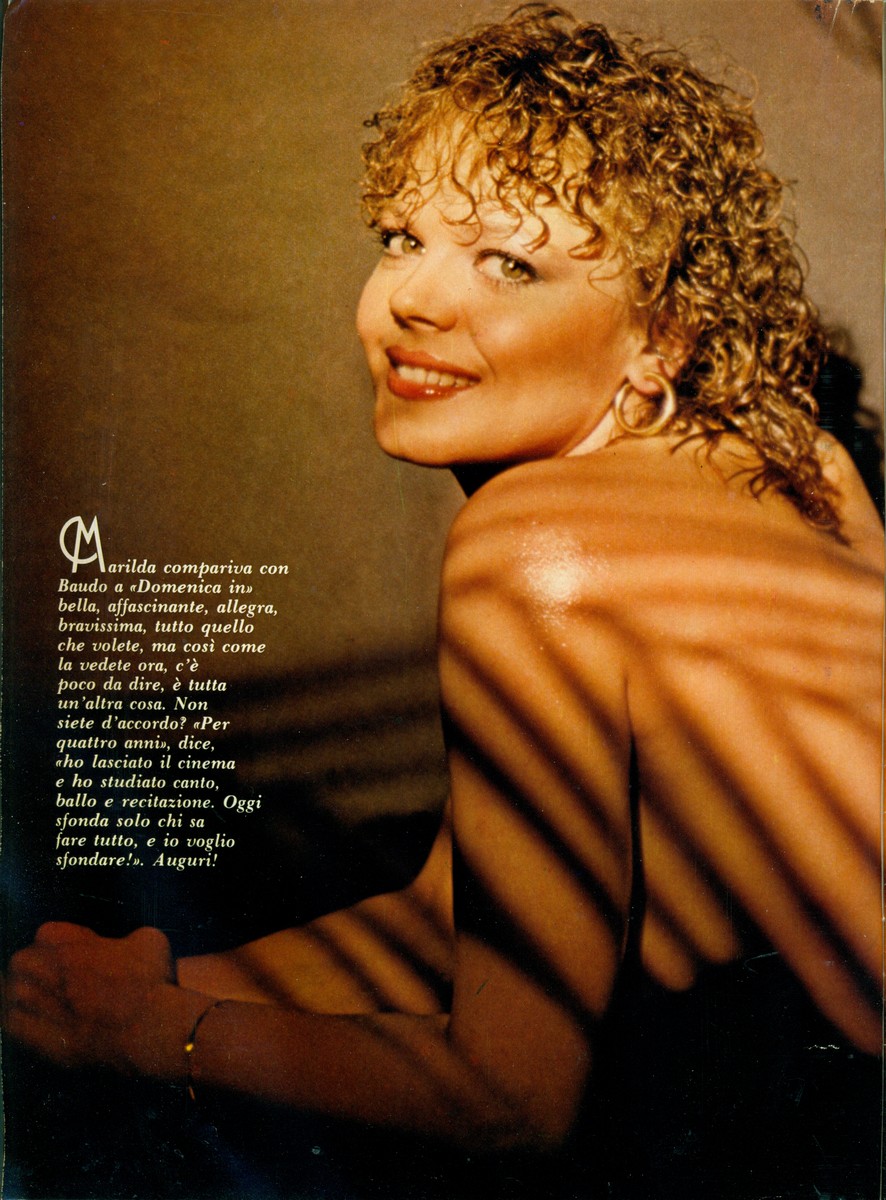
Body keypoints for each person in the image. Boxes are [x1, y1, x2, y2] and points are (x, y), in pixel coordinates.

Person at [5, 7, 882, 1196]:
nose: (412, 300)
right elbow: (442, 919)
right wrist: (121, 995)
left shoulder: (529, 547)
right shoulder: (798, 457)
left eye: (509, 264)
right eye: (401, 237)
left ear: (660, 338)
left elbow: (509, 1099)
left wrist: (154, 1036)